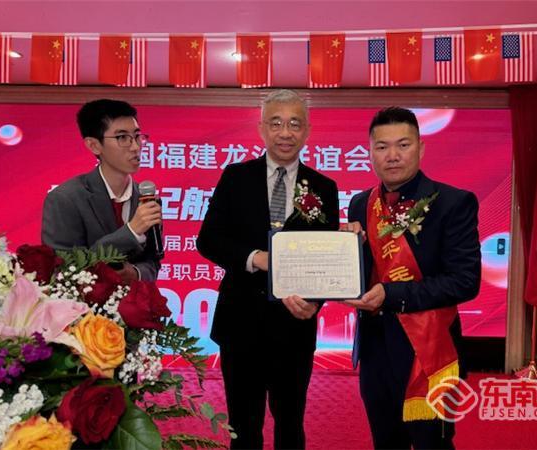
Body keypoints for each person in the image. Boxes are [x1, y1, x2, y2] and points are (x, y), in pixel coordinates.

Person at [197, 89, 339, 449]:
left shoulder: (323, 187)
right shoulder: (236, 177)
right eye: (276, 123)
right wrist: (254, 257)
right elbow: (209, 239)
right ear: (261, 128)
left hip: (294, 326)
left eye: (294, 124)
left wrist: (314, 302)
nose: (285, 133)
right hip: (240, 323)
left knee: (290, 424)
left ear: (307, 131)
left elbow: (327, 258)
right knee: (243, 426)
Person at [343, 107, 481, 449]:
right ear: (370, 153)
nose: (392, 155)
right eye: (382, 146)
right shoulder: (361, 204)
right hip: (375, 349)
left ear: (421, 148)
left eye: (403, 145)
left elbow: (465, 280)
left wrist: (391, 294)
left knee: (433, 444)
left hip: (430, 351)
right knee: (385, 441)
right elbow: (362, 273)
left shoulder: (453, 203)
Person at [42, 99, 162, 282]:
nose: (136, 146)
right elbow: (64, 268)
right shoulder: (65, 199)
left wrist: (136, 274)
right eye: (122, 138)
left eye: (137, 136)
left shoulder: (146, 198)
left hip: (137, 299)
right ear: (94, 145)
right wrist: (131, 231)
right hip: (82, 301)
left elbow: (153, 261)